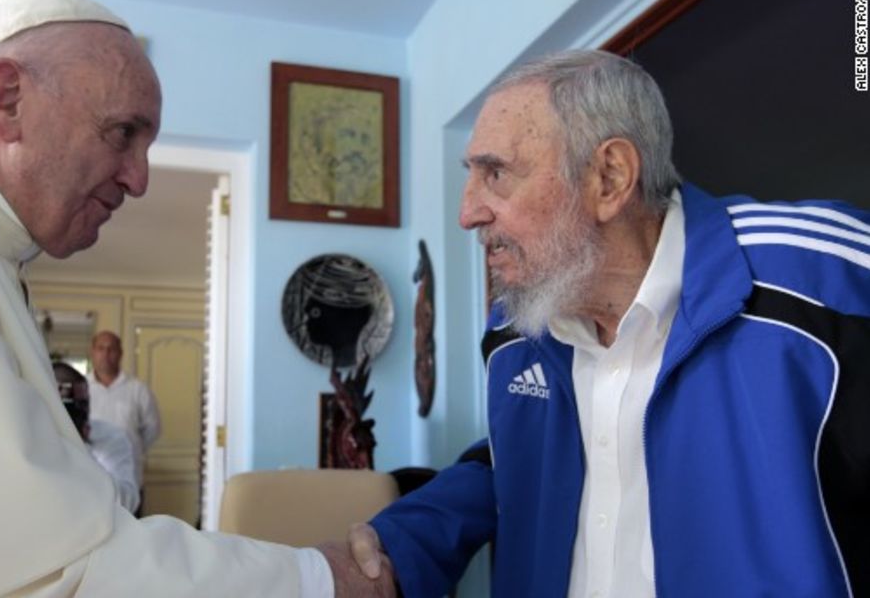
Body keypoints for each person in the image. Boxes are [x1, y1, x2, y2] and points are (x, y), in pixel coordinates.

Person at [0, 0, 389, 596]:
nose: (139, 179)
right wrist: (317, 579)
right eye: (122, 133)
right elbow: (51, 571)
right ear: (7, 100)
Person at [337, 50, 869, 597]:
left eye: (496, 173)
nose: (467, 212)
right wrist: (401, 543)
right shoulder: (515, 331)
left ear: (610, 178)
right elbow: (517, 459)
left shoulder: (825, 282)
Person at [87, 330, 161, 514]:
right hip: (88, 485)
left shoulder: (137, 389)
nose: (106, 354)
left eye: (112, 349)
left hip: (129, 482)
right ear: (93, 352)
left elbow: (152, 428)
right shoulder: (82, 387)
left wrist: (129, 448)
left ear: (120, 353)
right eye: (101, 348)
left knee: (132, 538)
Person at [54, 361, 142, 514]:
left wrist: (81, 447)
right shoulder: (28, 444)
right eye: (68, 406)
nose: (78, 413)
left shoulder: (111, 437)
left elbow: (127, 501)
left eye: (82, 404)